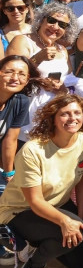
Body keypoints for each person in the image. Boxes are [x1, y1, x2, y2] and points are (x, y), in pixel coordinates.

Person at [0, 94, 83, 268]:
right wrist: (66, 221)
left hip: (58, 203)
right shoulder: (33, 150)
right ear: (53, 119)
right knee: (66, 231)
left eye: (77, 113)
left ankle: (36, 243)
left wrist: (81, 218)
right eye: (64, 114)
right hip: (19, 210)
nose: (72, 118)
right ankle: (31, 267)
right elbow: (35, 202)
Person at [0, 55, 36, 203]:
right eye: (9, 72)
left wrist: (9, 174)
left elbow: (10, 140)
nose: (15, 78)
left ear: (27, 80)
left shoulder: (20, 102)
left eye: (22, 74)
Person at [7, 2, 75, 75]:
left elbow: (69, 78)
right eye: (51, 21)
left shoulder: (62, 50)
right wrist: (36, 59)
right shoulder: (22, 41)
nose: (55, 27)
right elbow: (14, 74)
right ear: (41, 21)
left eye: (62, 24)